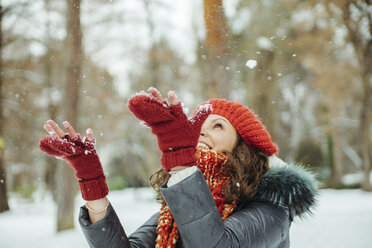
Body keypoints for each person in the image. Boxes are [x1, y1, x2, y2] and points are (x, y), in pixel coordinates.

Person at [39, 87, 318, 248]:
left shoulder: (272, 208)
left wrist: (184, 165)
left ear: (242, 147)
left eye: (217, 126)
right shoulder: (178, 207)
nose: (202, 134)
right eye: (198, 128)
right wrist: (92, 183)